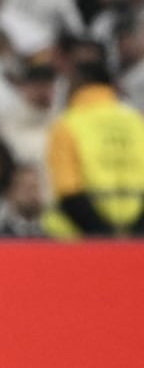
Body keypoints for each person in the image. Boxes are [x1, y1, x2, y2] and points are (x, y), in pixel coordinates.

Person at [44, 60, 144, 238]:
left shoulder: (67, 125)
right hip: (136, 234)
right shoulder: (136, 122)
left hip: (81, 238)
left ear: (81, 82)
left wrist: (105, 237)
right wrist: (133, 234)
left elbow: (69, 191)